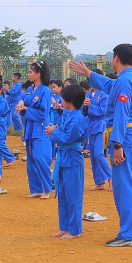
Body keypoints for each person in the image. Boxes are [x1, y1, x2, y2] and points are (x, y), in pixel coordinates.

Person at [68, 44, 132, 248]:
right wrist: (88, 73)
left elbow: (120, 113)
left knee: (124, 187)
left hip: (125, 137)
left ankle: (128, 234)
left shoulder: (124, 82)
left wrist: (117, 144)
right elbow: (109, 85)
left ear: (116, 58)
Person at [46, 83, 87, 238]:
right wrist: (54, 129)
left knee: (73, 194)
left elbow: (68, 137)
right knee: (62, 192)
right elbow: (61, 132)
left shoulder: (77, 118)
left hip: (73, 157)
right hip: (63, 157)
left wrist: (53, 132)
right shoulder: (66, 114)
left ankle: (75, 230)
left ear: (70, 100)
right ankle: (65, 226)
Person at [19, 62, 55, 199]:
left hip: (40, 128)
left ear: (38, 74)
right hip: (29, 128)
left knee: (40, 157)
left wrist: (27, 109)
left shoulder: (45, 91)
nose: (28, 74)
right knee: (31, 159)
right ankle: (36, 189)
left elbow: (43, 113)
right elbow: (22, 99)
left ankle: (47, 188)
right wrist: (21, 103)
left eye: (30, 72)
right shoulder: (29, 89)